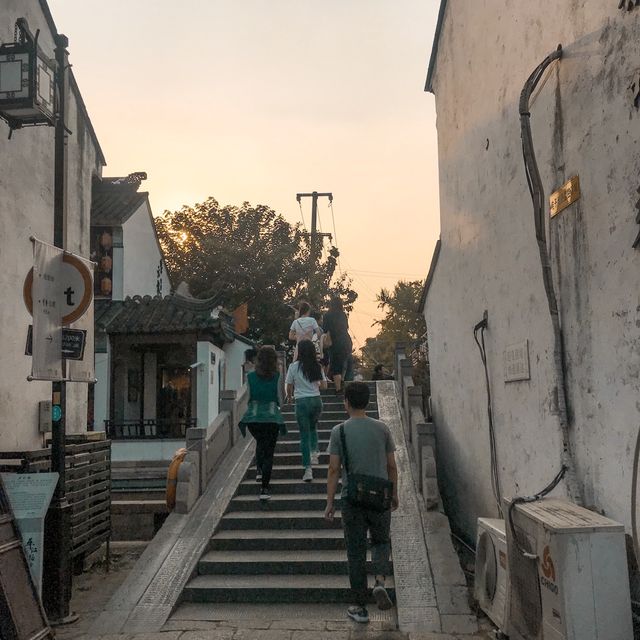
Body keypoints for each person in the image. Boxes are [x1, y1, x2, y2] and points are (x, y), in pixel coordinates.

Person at [325, 381, 399, 624]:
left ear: (346, 401)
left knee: (355, 551)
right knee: (380, 542)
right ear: (367, 402)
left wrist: (329, 502)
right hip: (380, 497)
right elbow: (391, 466)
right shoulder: (383, 428)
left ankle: (359, 607)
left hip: (352, 498)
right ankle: (379, 581)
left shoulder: (339, 431)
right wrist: (394, 493)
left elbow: (334, 469)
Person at [238, 346, 285, 501]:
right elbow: (280, 399)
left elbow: (249, 397)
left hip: (253, 418)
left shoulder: (250, 376)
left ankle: (259, 471)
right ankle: (264, 489)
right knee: (269, 452)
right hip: (271, 418)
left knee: (260, 442)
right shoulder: (277, 376)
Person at [285, 339, 327, 482]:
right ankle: (315, 453)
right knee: (313, 427)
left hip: (301, 401)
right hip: (316, 400)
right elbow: (324, 386)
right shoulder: (317, 366)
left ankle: (308, 469)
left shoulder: (293, 367)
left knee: (304, 435)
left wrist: (289, 397)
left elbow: (289, 386)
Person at [322, 297, 353, 394]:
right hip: (346, 340)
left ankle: (338, 388)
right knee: (344, 361)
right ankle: (342, 379)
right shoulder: (343, 314)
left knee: (336, 365)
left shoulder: (327, 315)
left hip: (335, 343)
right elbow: (346, 327)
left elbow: (325, 329)